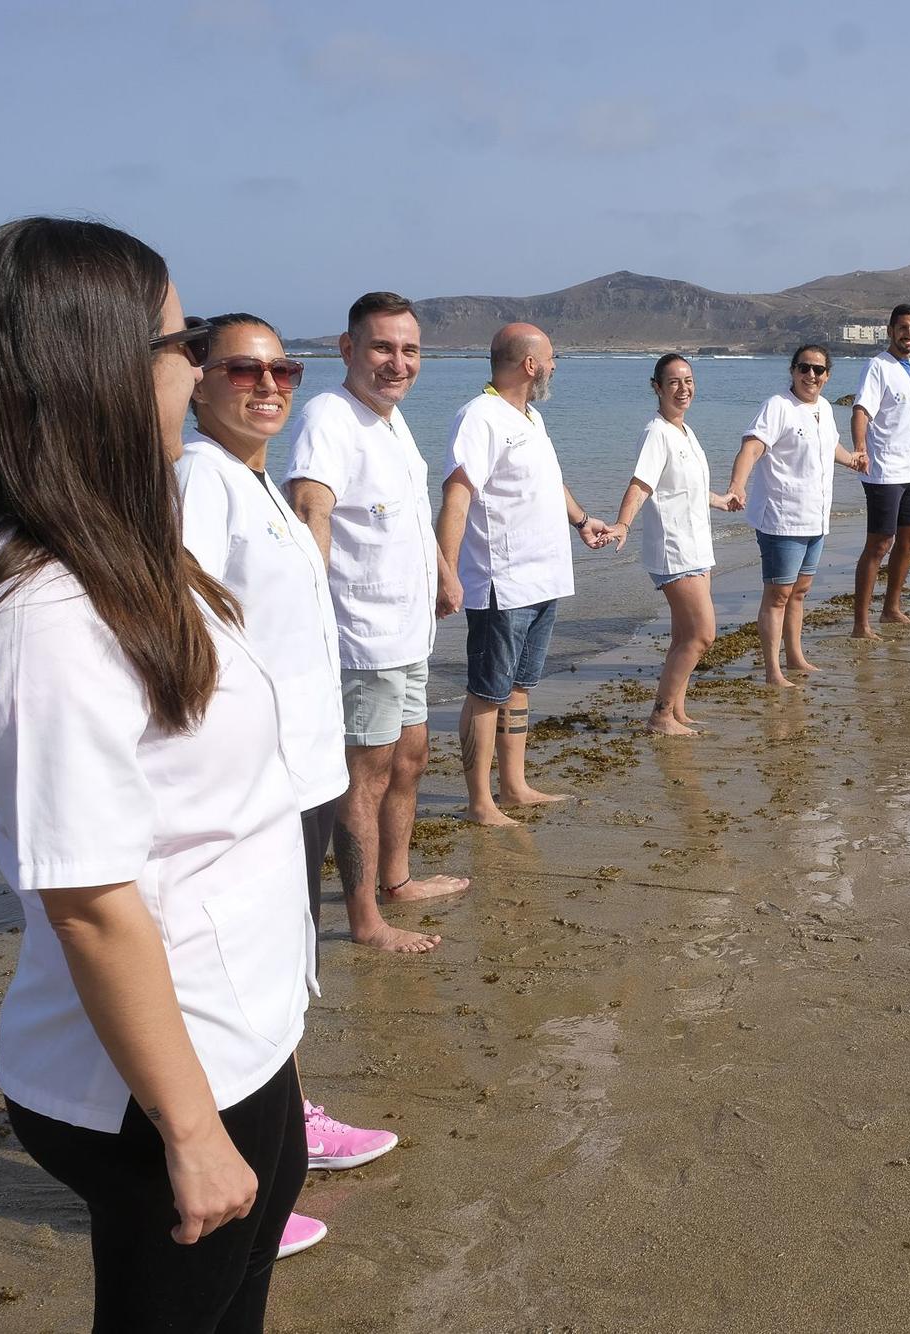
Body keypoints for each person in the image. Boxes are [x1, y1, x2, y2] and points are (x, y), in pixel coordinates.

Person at [0, 217, 308, 1331]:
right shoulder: (41, 615)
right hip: (152, 1072)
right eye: (182, 339)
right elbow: (87, 899)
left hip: (231, 1026)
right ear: (93, 369)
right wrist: (188, 1127)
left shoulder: (108, 542)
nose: (199, 362)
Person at [176, 313, 399, 1263]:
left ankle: (284, 1128)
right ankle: (221, 1174)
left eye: (284, 369)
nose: (269, 385)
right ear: (197, 380)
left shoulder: (255, 482)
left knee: (279, 968)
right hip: (249, 784)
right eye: (244, 369)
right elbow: (178, 624)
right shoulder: (198, 480)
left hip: (302, 774)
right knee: (227, 980)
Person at [287, 293, 465, 953]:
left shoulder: (390, 420)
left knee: (410, 758)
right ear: (348, 349)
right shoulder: (329, 417)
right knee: (367, 770)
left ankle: (397, 880)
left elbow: (411, 513)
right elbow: (311, 506)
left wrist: (445, 572)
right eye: (383, 348)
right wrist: (303, 608)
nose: (397, 363)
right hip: (361, 636)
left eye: (409, 350)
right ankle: (365, 920)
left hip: (408, 627)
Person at [434, 322, 613, 811]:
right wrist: (445, 572)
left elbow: (548, 483)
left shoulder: (530, 418)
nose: (555, 366)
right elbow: (457, 494)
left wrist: (581, 520)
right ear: (530, 365)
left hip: (542, 577)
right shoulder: (480, 417)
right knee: (487, 692)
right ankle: (479, 801)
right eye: (551, 358)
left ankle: (514, 786)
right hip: (500, 582)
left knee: (519, 688)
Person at [607, 354, 737, 736]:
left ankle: (676, 710)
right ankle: (660, 716)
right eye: (674, 382)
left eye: (689, 380)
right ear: (657, 388)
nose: (684, 389)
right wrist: (622, 524)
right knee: (702, 635)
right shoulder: (656, 433)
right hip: (674, 550)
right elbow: (642, 485)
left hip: (697, 546)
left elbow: (686, 488)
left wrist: (721, 500)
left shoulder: (684, 431)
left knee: (683, 636)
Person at [728, 344, 866, 679]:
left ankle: (795, 657)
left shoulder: (825, 409)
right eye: (804, 368)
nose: (811, 375)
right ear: (792, 371)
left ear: (827, 376)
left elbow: (828, 444)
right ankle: (773, 670)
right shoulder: (777, 407)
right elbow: (752, 447)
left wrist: (851, 459)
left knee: (799, 593)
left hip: (815, 518)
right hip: (781, 519)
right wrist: (737, 486)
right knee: (778, 596)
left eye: (818, 370)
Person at [850, 304, 910, 638]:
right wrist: (860, 448)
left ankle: (891, 608)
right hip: (884, 470)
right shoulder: (877, 367)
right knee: (879, 543)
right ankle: (861, 623)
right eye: (903, 328)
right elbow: (860, 410)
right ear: (890, 331)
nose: (909, 334)